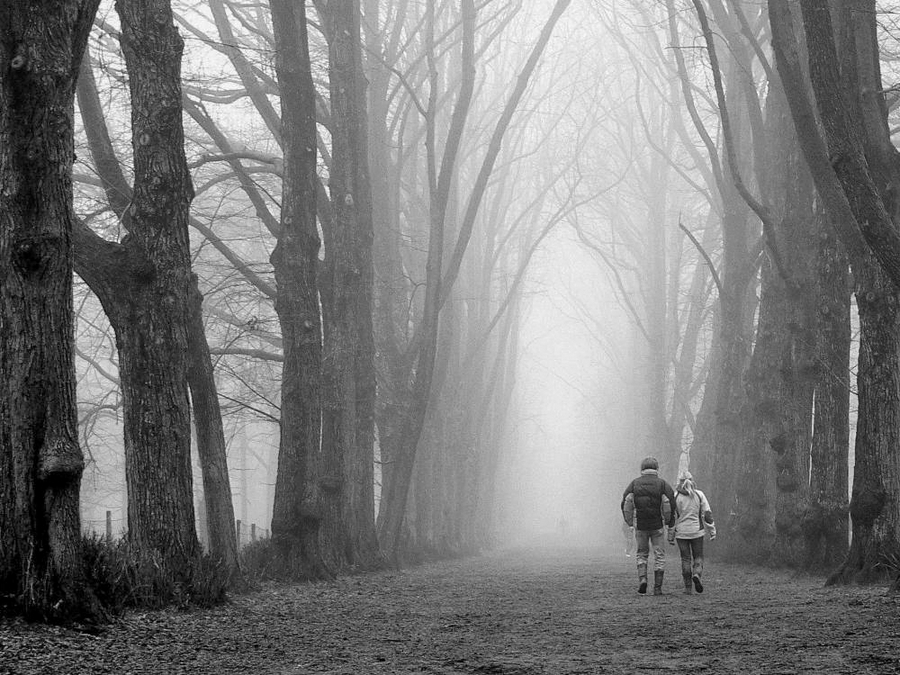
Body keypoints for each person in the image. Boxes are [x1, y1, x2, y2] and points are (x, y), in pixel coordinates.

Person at [621, 457, 676, 595]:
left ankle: (643, 579)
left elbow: (624, 502)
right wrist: (670, 522)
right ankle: (657, 588)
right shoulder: (662, 484)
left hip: (640, 525)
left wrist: (629, 521)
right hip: (657, 525)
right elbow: (672, 502)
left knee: (642, 554)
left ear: (642, 469)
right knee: (659, 555)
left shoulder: (634, 484)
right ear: (657, 468)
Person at [667, 471, 716, 594]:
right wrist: (712, 530)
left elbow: (672, 517)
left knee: (685, 559)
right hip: (697, 532)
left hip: (681, 533)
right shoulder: (699, 495)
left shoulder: (676, 496)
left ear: (680, 482)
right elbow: (707, 514)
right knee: (698, 556)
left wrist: (670, 535)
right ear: (692, 480)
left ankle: (688, 588)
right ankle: (697, 574)